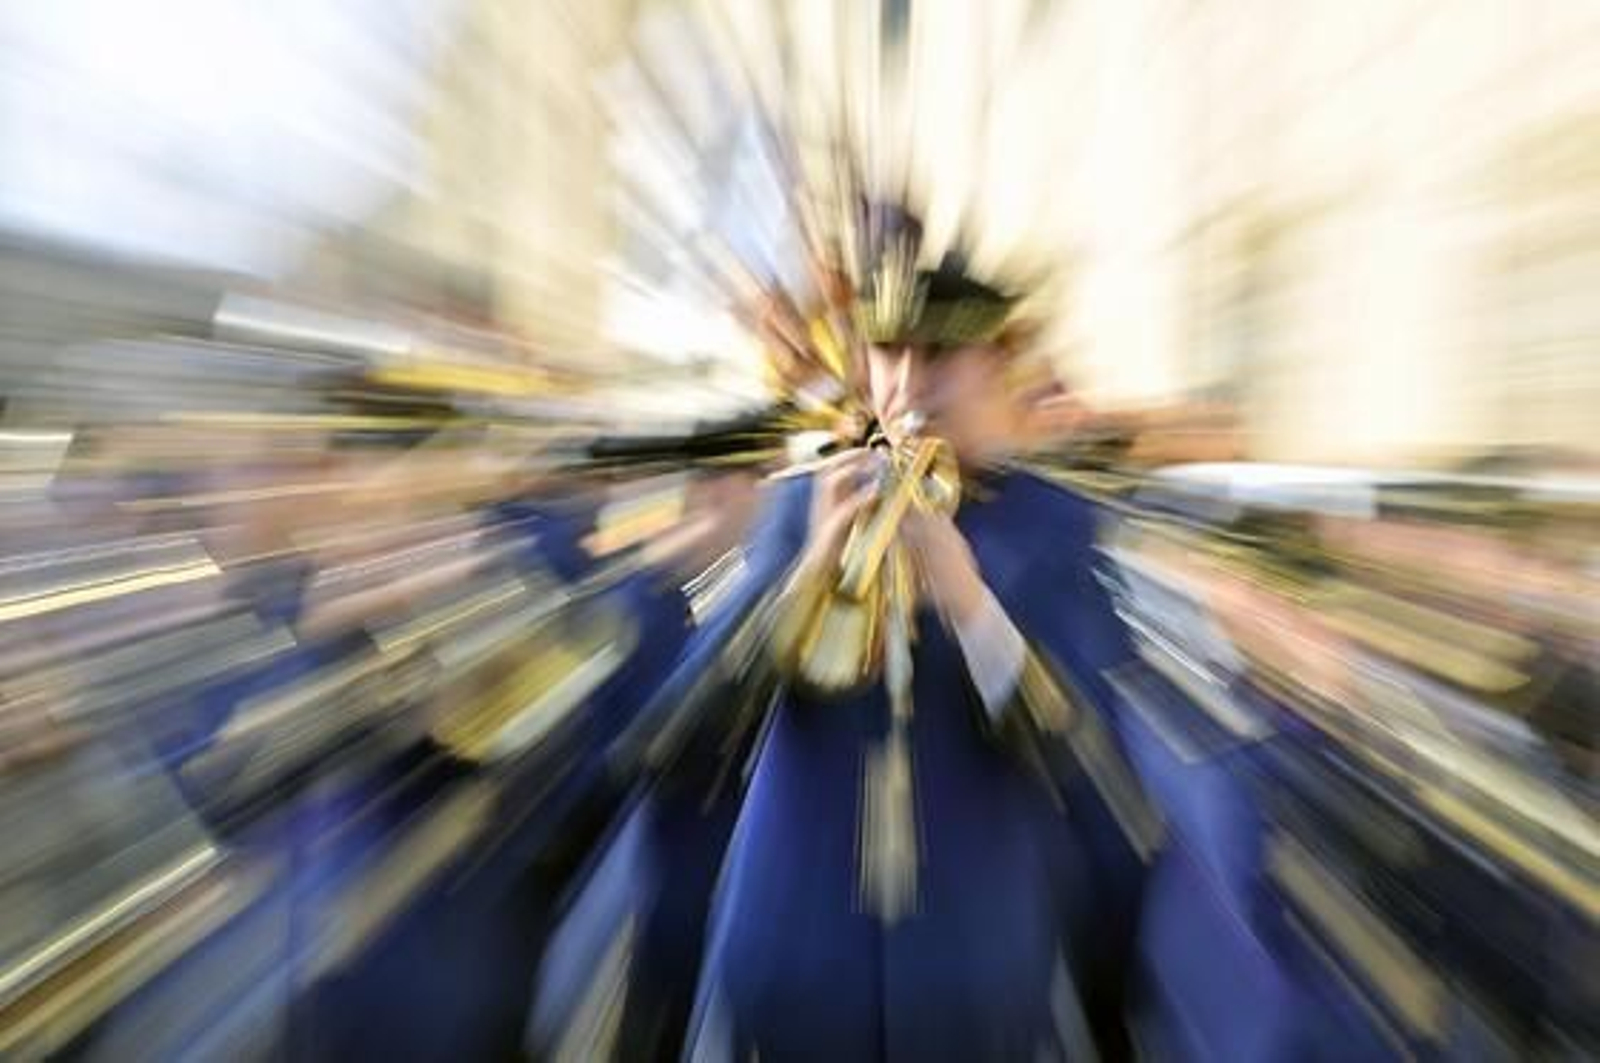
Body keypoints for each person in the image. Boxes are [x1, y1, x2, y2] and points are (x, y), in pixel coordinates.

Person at [626, 217, 1152, 1061]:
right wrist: (806, 573)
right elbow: (685, 732)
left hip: (972, 977)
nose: (906, 383)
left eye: (937, 356)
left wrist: (972, 603)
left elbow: (1088, 764)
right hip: (795, 959)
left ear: (994, 364)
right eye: (885, 351)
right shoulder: (801, 502)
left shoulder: (1058, 524)